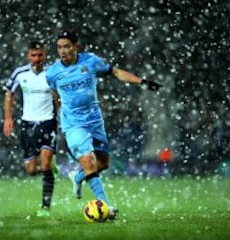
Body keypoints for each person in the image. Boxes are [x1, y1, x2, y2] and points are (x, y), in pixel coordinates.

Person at [46, 29, 162, 220]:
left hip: (95, 121)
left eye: (67, 46)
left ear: (76, 46)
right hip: (74, 125)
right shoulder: (52, 73)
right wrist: (61, 116)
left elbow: (115, 72)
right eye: (59, 47)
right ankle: (106, 207)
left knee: (103, 164)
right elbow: (55, 96)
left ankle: (78, 177)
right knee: (89, 162)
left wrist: (142, 82)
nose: (63, 51)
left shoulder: (90, 61)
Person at [3, 41, 59, 217]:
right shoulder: (20, 73)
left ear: (45, 55)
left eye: (40, 55)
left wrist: (63, 113)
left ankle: (45, 207)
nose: (37, 59)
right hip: (28, 124)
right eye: (33, 55)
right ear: (28, 56)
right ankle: (48, 165)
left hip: (48, 122)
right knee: (30, 170)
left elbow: (59, 96)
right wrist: (8, 118)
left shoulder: (52, 73)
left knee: (46, 164)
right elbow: (9, 94)